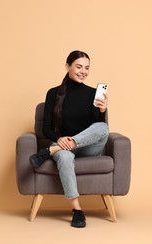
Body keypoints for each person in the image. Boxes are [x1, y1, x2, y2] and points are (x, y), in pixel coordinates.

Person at [29, 50, 109, 228]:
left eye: (87, 68)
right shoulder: (53, 93)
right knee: (65, 156)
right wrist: (60, 140)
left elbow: (98, 130)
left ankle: (51, 151)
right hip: (61, 144)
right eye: (79, 67)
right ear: (67, 67)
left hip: (88, 148)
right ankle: (77, 211)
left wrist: (102, 112)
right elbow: (46, 128)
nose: (83, 71)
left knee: (104, 127)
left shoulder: (94, 94)